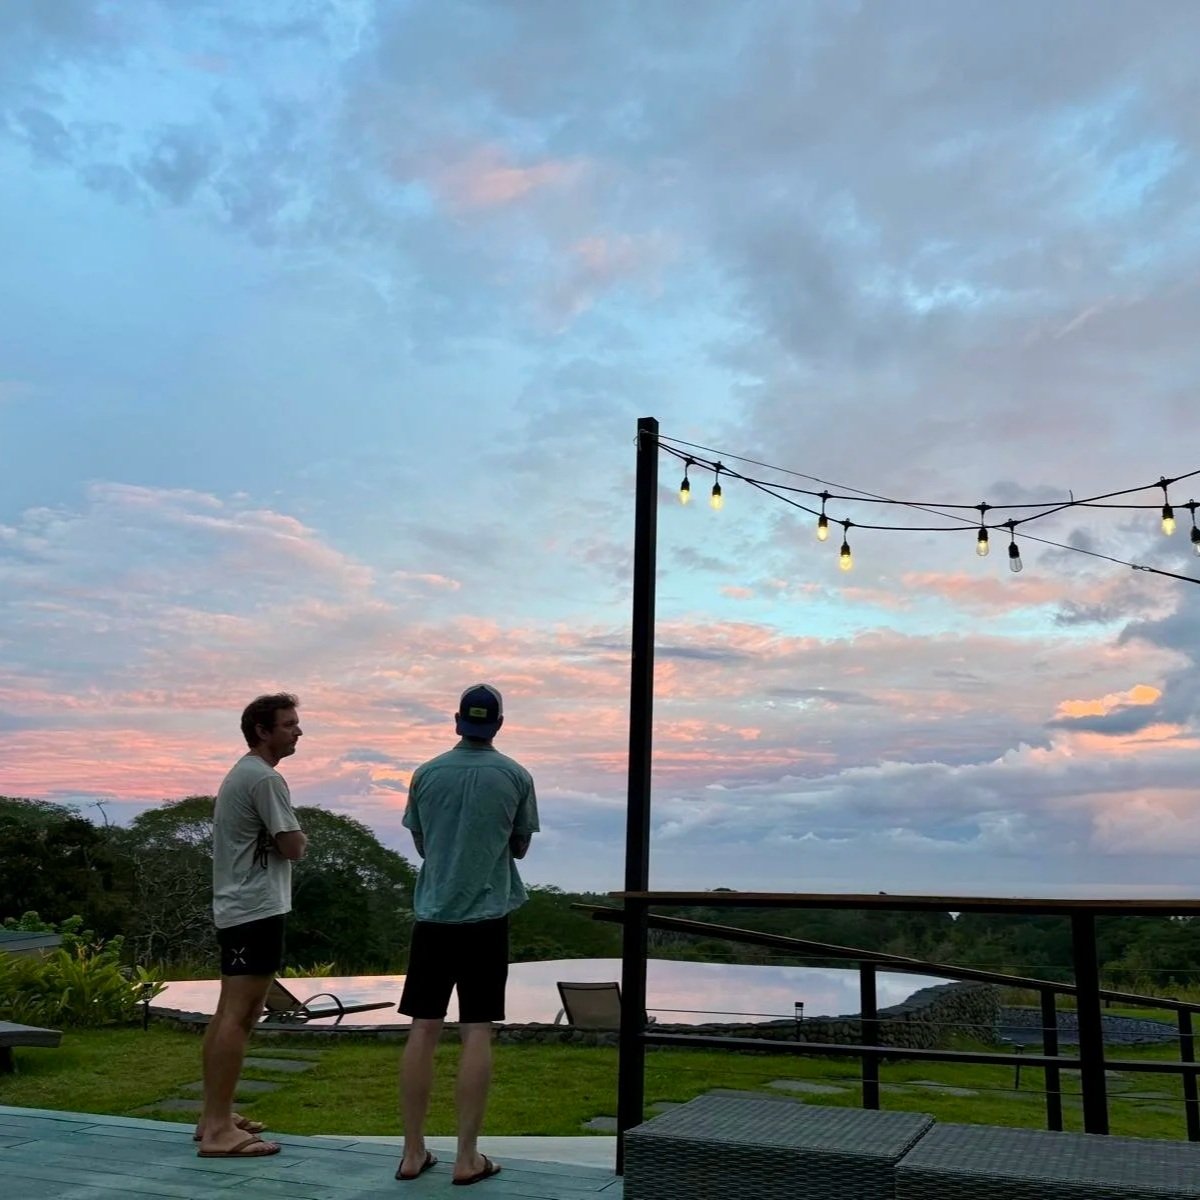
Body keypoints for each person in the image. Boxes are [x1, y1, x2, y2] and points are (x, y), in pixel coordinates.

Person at [395, 683, 539, 1185]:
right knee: (477, 1029)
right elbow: (519, 846)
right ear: (498, 724)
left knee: (423, 1028)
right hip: (486, 919)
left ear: (457, 720)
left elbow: (422, 844)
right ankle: (466, 1158)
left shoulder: (426, 774)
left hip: (433, 916)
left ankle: (413, 1152)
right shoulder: (516, 776)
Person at [196, 692, 307, 1159]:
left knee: (228, 1013)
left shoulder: (246, 775)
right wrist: (300, 837)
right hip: (254, 910)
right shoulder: (263, 779)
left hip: (243, 909)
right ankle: (220, 1130)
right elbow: (294, 846)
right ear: (262, 731)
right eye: (288, 724)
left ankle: (212, 1115)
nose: (298, 731)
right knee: (240, 1016)